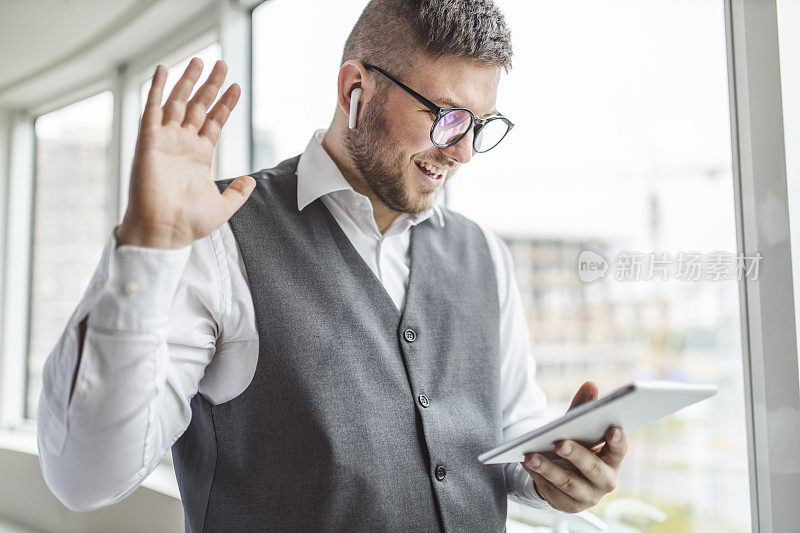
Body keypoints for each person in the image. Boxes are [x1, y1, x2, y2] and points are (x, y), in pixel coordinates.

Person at [36, 0, 627, 531]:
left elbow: (505, 447)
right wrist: (147, 247)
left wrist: (558, 473)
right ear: (355, 89)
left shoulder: (487, 257)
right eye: (444, 115)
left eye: (481, 125)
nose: (463, 149)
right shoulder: (215, 237)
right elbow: (86, 480)